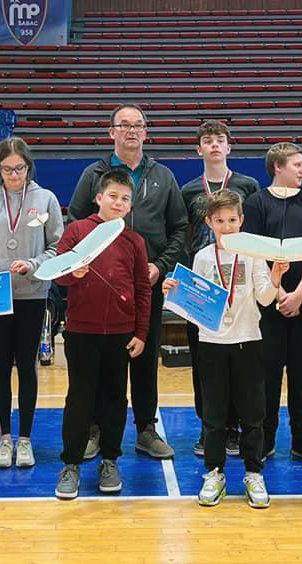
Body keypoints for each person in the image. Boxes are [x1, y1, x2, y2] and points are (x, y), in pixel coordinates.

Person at [70, 103, 188, 461]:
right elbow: (77, 223)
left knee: (145, 359)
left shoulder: (163, 176)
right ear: (112, 132)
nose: (131, 130)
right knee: (100, 365)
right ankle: (95, 428)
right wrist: (91, 265)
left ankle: (146, 429)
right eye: (124, 125)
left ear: (146, 132)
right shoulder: (93, 174)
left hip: (145, 285)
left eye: (138, 125)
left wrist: (160, 267)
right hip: (100, 291)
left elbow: (179, 228)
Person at [163, 190, 287, 508]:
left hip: (248, 341)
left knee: (253, 414)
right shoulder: (203, 257)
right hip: (211, 344)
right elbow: (195, 300)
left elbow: (264, 299)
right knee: (214, 415)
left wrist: (275, 277)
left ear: (242, 220)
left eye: (232, 220)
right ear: (209, 222)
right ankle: (214, 473)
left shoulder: (254, 254)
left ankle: (253, 473)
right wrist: (173, 290)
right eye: (220, 221)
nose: (227, 226)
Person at [0, 137, 64, 469]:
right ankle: (5, 439)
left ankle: (26, 439)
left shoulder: (46, 199)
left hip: (33, 294)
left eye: (19, 168)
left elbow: (57, 248)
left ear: (29, 167)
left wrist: (32, 265)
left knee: (28, 367)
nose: (14, 175)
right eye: (7, 169)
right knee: (1, 366)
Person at [54, 170, 151, 499]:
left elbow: (143, 289)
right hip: (82, 331)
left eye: (125, 199)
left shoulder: (134, 241)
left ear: (130, 205)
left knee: (115, 399)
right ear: (99, 198)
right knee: (79, 398)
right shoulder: (77, 231)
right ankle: (71, 464)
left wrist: (141, 332)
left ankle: (110, 460)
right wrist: (73, 273)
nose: (119, 203)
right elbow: (58, 275)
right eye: (113, 196)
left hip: (121, 335)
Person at [242, 142, 302, 465]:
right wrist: (277, 292)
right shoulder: (256, 203)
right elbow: (253, 250)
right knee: (267, 375)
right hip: (268, 304)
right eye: (296, 164)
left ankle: (301, 439)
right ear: (277, 167)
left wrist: (300, 294)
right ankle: (265, 437)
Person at [180, 119, 260, 457]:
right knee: (205, 363)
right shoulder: (188, 190)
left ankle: (235, 429)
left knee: (240, 366)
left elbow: (255, 233)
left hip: (240, 284)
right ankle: (209, 427)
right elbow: (182, 234)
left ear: (229, 146)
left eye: (220, 140)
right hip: (204, 283)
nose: (214, 145)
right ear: (199, 148)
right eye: (208, 140)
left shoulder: (248, 185)